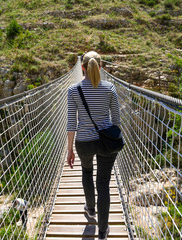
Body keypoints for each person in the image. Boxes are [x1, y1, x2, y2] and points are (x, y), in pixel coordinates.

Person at [66, 51, 121, 240]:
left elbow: (71, 123)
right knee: (103, 184)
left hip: (84, 142)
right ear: (101, 67)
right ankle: (103, 231)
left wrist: (70, 149)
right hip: (106, 143)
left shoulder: (73, 90)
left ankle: (90, 209)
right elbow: (117, 121)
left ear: (82, 68)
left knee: (87, 172)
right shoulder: (110, 88)